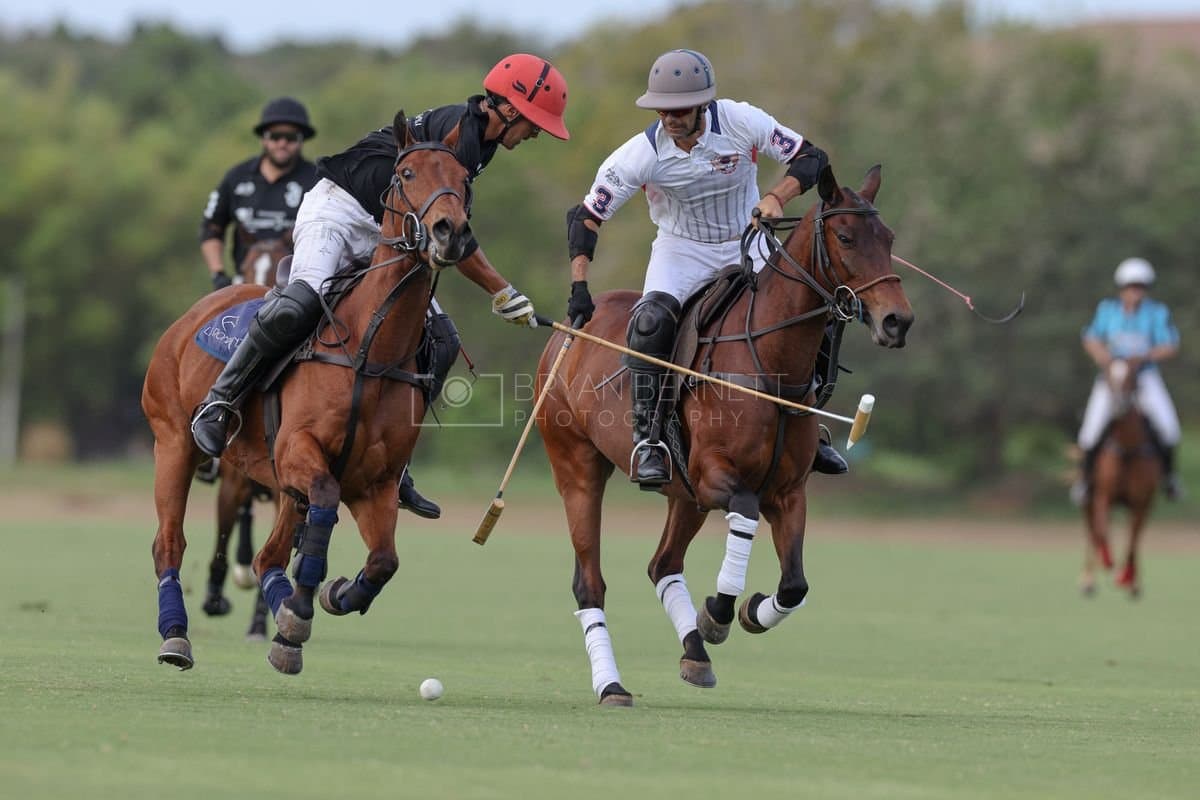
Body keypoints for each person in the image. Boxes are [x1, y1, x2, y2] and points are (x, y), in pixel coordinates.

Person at [190, 54, 570, 518]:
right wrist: (502, 291)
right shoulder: (459, 135)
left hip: (385, 227)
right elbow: (456, 238)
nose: (535, 134)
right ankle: (220, 402)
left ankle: (396, 463)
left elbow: (447, 234)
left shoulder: (481, 143)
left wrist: (494, 286)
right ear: (509, 108)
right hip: (337, 209)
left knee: (443, 340)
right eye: (534, 123)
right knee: (299, 303)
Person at [564, 48, 849, 487]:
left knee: (814, 311)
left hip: (748, 239)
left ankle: (808, 425)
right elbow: (585, 219)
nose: (669, 118)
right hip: (681, 250)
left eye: (679, 110)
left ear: (703, 104)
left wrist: (776, 197)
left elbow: (812, 158)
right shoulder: (640, 154)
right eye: (662, 110)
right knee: (650, 324)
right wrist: (579, 287)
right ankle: (649, 439)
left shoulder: (740, 121)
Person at [1071, 257, 1182, 504]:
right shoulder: (1107, 310)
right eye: (1131, 286)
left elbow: (1170, 345)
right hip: (1113, 376)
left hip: (1144, 376)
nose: (1135, 291)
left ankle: (1169, 478)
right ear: (1121, 287)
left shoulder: (1156, 312)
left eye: (1140, 286)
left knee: (1169, 428)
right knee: (1089, 430)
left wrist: (1145, 356)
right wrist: (1104, 358)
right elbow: (1090, 338)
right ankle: (1084, 481)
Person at [201, 97, 320, 290]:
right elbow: (211, 227)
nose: (282, 143)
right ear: (264, 138)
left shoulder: (317, 182)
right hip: (243, 282)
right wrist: (218, 274)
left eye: (290, 137)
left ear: (301, 140)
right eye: (275, 136)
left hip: (299, 287)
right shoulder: (236, 178)